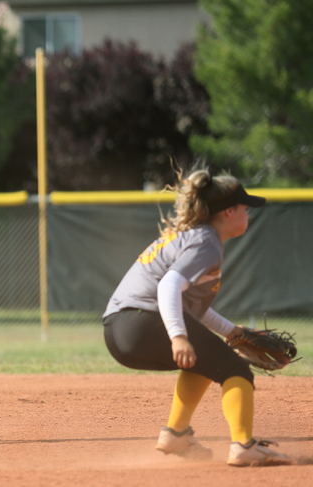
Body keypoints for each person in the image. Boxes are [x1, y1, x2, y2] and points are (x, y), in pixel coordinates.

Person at [102, 168, 292, 467]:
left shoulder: (193, 237)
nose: (247, 214)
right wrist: (178, 336)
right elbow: (168, 287)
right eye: (244, 208)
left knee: (207, 361)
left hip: (118, 330)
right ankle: (244, 446)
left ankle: (176, 434)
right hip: (143, 321)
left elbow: (191, 309)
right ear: (229, 212)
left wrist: (231, 331)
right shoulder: (206, 243)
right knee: (235, 371)